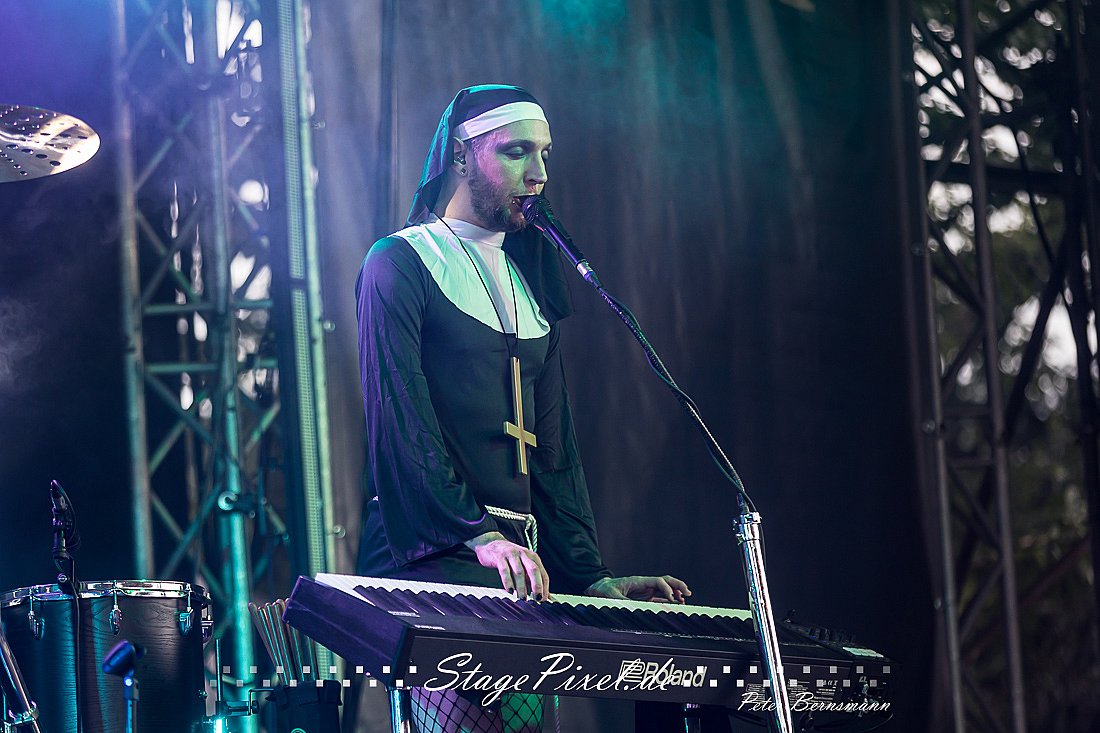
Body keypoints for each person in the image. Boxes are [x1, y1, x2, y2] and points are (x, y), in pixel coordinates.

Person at [355, 84, 689, 732]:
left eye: (544, 154)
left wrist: (589, 577)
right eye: (516, 152)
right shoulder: (399, 262)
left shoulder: (528, 287)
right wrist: (476, 533)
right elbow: (402, 421)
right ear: (460, 155)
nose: (538, 174)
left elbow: (556, 455)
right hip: (434, 557)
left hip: (519, 565)